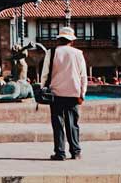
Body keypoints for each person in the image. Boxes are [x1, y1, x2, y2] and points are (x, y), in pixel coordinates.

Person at [42, 26, 88, 161]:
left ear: (59, 39)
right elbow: (83, 76)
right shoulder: (78, 53)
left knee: (58, 124)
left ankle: (60, 153)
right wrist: (82, 94)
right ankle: (76, 152)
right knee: (73, 124)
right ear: (72, 41)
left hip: (55, 94)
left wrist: (43, 88)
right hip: (73, 93)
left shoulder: (51, 52)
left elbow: (45, 74)